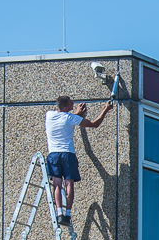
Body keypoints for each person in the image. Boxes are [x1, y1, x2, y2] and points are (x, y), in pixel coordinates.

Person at [44, 95, 113, 226]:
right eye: (71, 103)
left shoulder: (49, 115)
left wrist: (76, 114)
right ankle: (67, 214)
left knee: (57, 184)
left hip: (53, 155)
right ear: (66, 107)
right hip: (68, 155)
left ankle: (59, 213)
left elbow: (64, 118)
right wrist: (106, 109)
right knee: (69, 184)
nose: (73, 104)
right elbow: (95, 124)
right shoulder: (71, 118)